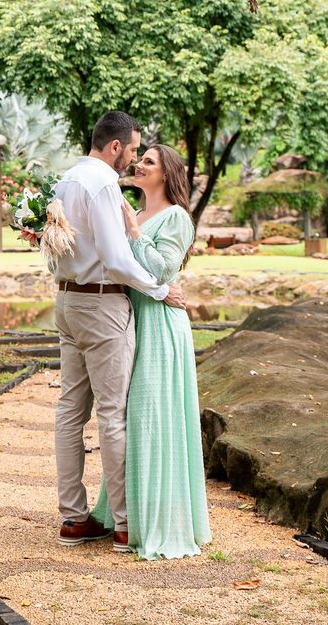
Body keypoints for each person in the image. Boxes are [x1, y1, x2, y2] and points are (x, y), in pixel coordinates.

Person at [52, 112, 188, 555]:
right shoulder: (104, 184)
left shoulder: (66, 180)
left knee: (70, 409)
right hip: (101, 304)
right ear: (115, 147)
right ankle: (126, 524)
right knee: (112, 413)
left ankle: (74, 518)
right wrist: (160, 289)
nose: (132, 160)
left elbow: (55, 245)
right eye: (132, 150)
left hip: (67, 301)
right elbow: (116, 258)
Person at [90, 144, 212, 560]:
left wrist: (135, 232)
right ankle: (126, 515)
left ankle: (159, 520)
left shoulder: (175, 217)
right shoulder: (135, 214)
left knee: (151, 414)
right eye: (139, 159)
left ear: (165, 174)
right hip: (129, 319)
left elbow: (163, 270)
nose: (138, 165)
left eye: (149, 162)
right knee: (128, 415)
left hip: (161, 324)